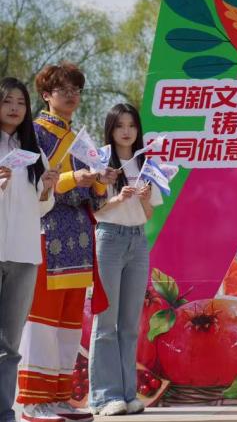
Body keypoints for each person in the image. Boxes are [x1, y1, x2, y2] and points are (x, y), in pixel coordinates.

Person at [19, 62, 115, 422]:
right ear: (46, 95)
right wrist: (76, 177)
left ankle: (59, 397)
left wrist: (101, 180)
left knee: (68, 324)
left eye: (76, 89)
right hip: (47, 234)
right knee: (42, 322)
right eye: (64, 89)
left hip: (79, 238)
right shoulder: (34, 134)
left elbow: (98, 199)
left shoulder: (80, 139)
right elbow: (35, 186)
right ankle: (33, 401)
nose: (72, 95)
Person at [89, 103, 164, 417]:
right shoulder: (100, 163)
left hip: (137, 240)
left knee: (131, 324)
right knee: (106, 322)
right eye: (120, 125)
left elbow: (149, 214)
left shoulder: (146, 163)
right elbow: (93, 210)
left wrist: (145, 201)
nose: (126, 131)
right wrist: (116, 198)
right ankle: (104, 397)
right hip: (108, 238)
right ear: (110, 129)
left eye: (131, 125)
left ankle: (128, 394)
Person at [0, 78, 57, 422]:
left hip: (24, 253)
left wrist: (46, 189)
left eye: (20, 102)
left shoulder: (33, 152)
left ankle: (5, 412)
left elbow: (41, 208)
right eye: (7, 101)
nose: (14, 108)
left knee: (10, 343)